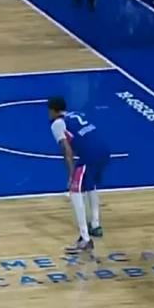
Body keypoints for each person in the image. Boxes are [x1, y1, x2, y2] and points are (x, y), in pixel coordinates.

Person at [48, 96, 108, 254]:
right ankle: (95, 225)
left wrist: (71, 175)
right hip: (104, 150)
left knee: (75, 191)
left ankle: (85, 239)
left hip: (90, 154)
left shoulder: (57, 124)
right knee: (90, 185)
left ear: (52, 110)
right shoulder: (76, 114)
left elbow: (67, 151)